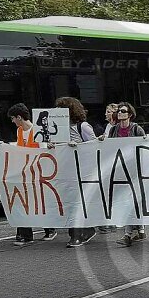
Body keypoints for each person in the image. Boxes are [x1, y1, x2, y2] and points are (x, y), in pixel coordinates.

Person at [50, 97, 98, 247]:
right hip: (65, 169)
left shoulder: (82, 127)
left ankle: (76, 234)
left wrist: (78, 146)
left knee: (76, 202)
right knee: (69, 202)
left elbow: (95, 145)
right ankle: (85, 229)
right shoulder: (56, 129)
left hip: (81, 170)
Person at [102, 102, 149, 247]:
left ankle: (128, 234)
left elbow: (145, 147)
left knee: (133, 201)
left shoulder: (136, 129)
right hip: (120, 170)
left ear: (130, 114)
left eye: (123, 111)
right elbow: (109, 148)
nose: (120, 113)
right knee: (128, 201)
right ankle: (140, 230)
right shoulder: (113, 130)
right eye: (119, 111)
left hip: (135, 170)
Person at [9, 103, 56, 245]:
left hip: (38, 171)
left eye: (13, 118)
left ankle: (50, 229)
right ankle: (26, 234)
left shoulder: (36, 130)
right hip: (25, 171)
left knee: (40, 200)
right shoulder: (19, 131)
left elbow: (43, 148)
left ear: (19, 117)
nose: (12, 121)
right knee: (25, 201)